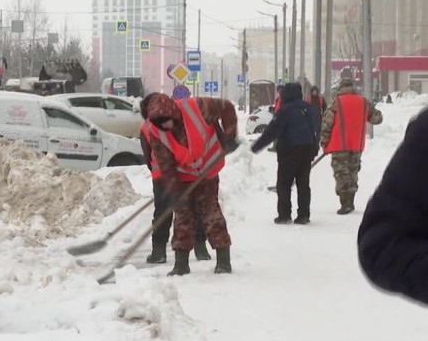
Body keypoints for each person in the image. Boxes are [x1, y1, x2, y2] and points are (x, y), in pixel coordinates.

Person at [143, 93, 239, 275]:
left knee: (211, 213)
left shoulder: (198, 107)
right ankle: (181, 264)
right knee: (182, 217)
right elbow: (165, 164)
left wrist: (230, 135)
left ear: (172, 111)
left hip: (208, 170)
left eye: (167, 121)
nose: (165, 126)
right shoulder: (156, 131)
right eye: (160, 123)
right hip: (183, 175)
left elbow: (227, 107)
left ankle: (223, 261)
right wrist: (174, 190)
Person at [358, 109, 428, 305]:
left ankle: (345, 200)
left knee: (343, 177)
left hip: (342, 147)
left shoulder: (335, 106)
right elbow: (381, 246)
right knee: (346, 177)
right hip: (353, 146)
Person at [138, 93, 211, 264]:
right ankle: (201, 248)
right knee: (194, 208)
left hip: (162, 174)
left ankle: (159, 251)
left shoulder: (146, 126)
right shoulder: (179, 118)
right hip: (186, 170)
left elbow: (147, 155)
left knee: (163, 211)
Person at [250, 82, 319, 224]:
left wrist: (257, 146)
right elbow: (315, 127)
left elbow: (272, 131)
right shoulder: (308, 109)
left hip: (289, 150)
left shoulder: (285, 111)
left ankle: (284, 215)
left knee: (284, 183)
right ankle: (304, 215)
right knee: (303, 184)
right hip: (307, 150)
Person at [319, 78, 383, 215]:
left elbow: (327, 124)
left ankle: (345, 203)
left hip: (339, 144)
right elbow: (377, 118)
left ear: (340, 88)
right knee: (353, 172)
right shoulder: (363, 102)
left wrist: (324, 142)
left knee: (341, 173)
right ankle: (350, 201)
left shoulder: (336, 103)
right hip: (356, 145)